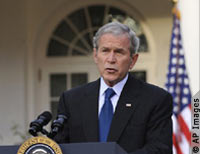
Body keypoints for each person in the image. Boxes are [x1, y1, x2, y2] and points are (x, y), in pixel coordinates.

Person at [54, 22, 173, 154]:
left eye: (119, 52)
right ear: (95, 55)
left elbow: (160, 149)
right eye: (105, 51)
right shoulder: (71, 99)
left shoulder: (156, 99)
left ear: (133, 60)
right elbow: (59, 147)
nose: (111, 59)